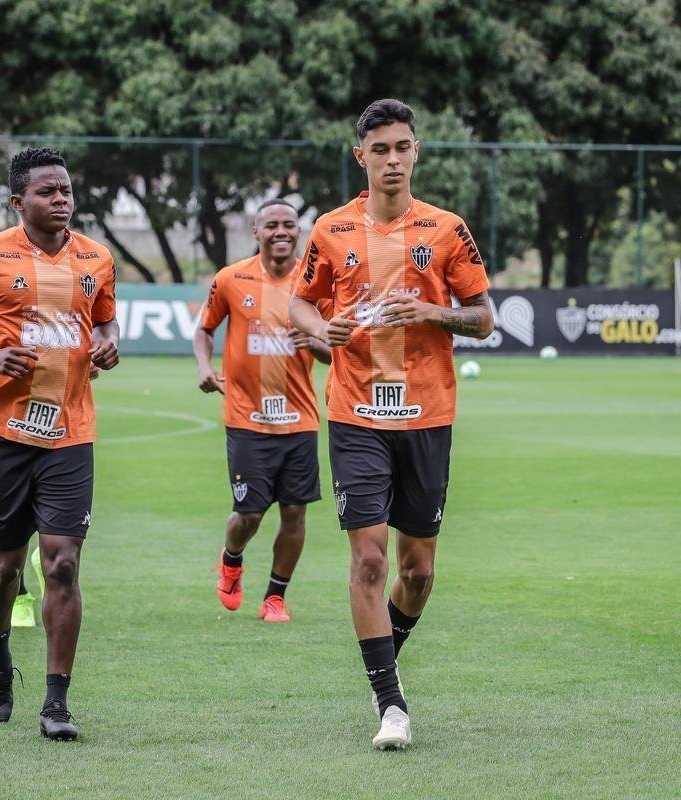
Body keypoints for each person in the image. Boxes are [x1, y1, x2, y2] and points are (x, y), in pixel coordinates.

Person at [289, 99, 494, 750]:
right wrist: (323, 328)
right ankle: (391, 704)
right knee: (370, 558)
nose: (392, 159)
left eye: (402, 147)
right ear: (361, 157)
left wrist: (430, 312)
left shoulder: (446, 228)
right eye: (379, 149)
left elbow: (483, 317)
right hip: (355, 413)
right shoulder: (329, 230)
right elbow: (297, 301)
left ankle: (385, 652)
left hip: (427, 414)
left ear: (416, 152)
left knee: (419, 571)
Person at [0, 147, 119, 740]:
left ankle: (56, 702)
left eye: (66, 190)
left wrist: (108, 344)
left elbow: (106, 321)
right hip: (4, 436)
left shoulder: (97, 258)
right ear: (19, 201)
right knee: (6, 564)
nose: (61, 200)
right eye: (47, 192)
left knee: (62, 562)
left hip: (71, 433)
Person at [194, 198, 332, 624]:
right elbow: (204, 329)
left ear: (299, 232)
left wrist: (317, 343)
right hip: (246, 419)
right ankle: (231, 559)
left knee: (294, 513)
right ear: (256, 232)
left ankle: (275, 597)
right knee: (249, 514)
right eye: (271, 225)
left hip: (300, 420)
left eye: (289, 225)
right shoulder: (231, 279)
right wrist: (204, 366)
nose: (281, 232)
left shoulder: (314, 288)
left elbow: (335, 350)